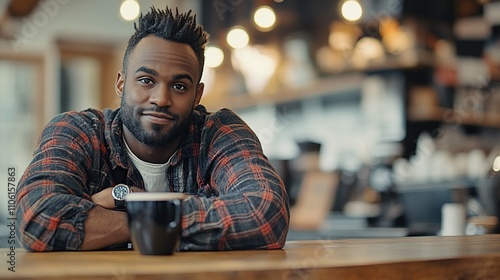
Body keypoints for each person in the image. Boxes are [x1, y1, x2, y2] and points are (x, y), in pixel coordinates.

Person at [15, 6, 290, 251]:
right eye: (146, 80)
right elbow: (37, 217)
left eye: (179, 86)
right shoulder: (77, 130)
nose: (161, 98)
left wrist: (121, 209)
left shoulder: (218, 132)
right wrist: (165, 217)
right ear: (121, 84)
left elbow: (266, 214)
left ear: (197, 95)